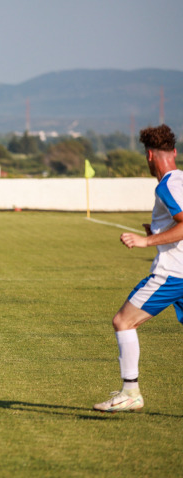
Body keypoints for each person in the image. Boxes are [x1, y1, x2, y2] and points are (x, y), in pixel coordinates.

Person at [94, 124, 180, 412]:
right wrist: (157, 228)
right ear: (175, 152)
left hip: (173, 275)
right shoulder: (180, 180)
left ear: (149, 156)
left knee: (123, 322)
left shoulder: (167, 185)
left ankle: (131, 393)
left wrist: (147, 241)